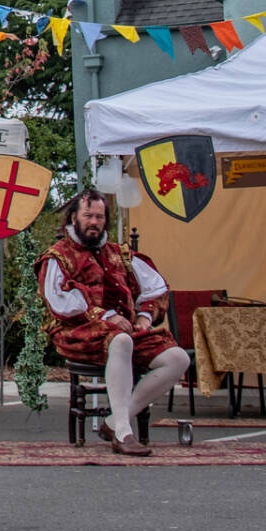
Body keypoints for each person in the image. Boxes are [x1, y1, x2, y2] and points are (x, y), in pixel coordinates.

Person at [38, 187, 190, 456]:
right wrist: (107, 317)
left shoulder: (119, 254)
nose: (94, 222)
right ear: (74, 218)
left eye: (99, 216)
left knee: (178, 358)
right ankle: (123, 433)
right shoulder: (59, 256)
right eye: (88, 216)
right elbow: (59, 302)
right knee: (120, 340)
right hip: (78, 332)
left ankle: (112, 422)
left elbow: (156, 287)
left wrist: (144, 317)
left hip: (127, 332)